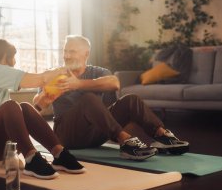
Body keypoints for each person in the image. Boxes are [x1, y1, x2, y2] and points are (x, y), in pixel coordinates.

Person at [33, 35, 189, 161]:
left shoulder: (97, 71)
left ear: (86, 54)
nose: (66, 55)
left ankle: (162, 136)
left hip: (96, 133)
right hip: (67, 135)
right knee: (89, 99)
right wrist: (43, 99)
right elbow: (37, 104)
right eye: (65, 51)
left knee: (131, 100)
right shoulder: (55, 73)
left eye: (72, 51)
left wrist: (78, 84)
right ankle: (125, 142)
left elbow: (114, 83)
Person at [0, 39, 85, 180]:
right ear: (5, 56)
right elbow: (41, 79)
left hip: (2, 147)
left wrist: (40, 105)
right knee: (11, 105)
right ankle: (31, 159)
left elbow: (18, 119)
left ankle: (59, 153)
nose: (15, 61)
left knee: (24, 107)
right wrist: (63, 70)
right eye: (13, 57)